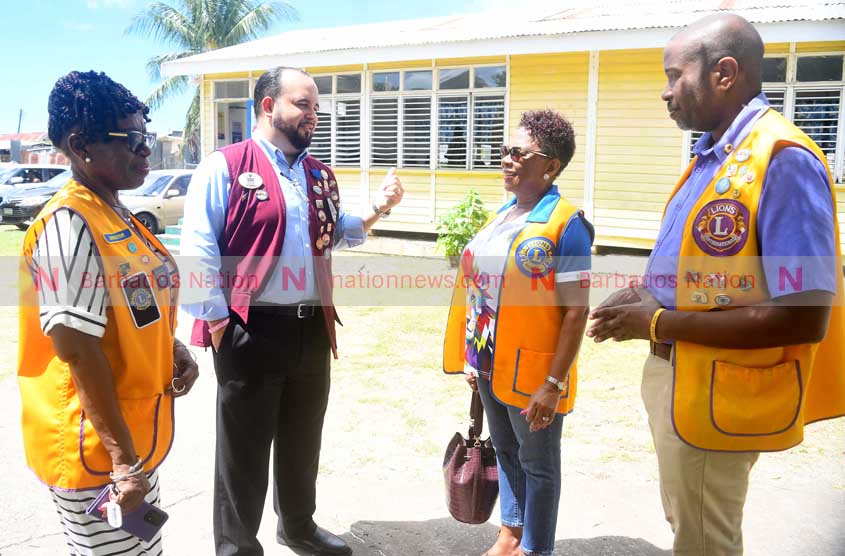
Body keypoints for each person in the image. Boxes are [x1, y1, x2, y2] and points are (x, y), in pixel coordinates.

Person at [587, 14, 844, 556]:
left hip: (716, 387)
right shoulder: (713, 155)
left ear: (725, 73)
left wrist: (655, 321)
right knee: (691, 525)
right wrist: (646, 294)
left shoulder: (781, 159)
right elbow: (706, 271)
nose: (664, 91)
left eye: (675, 75)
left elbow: (805, 314)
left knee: (705, 541)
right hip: (678, 378)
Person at [179, 66, 404, 556]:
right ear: (268, 105)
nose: (313, 116)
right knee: (244, 452)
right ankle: (237, 547)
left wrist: (380, 207)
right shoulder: (225, 166)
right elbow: (197, 249)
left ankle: (298, 528)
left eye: (316, 108)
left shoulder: (317, 173)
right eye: (303, 105)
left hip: (311, 330)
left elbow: (336, 228)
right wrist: (220, 324)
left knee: (303, 442)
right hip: (250, 330)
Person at [17, 70, 199, 555]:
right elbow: (78, 351)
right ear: (81, 146)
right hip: (97, 454)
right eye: (133, 138)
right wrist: (123, 464)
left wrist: (174, 348)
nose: (146, 149)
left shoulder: (116, 214)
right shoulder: (66, 226)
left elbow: (136, 306)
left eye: (148, 135)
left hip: (134, 444)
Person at [443, 109, 593, 556]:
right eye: (505, 150)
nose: (506, 159)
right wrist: (473, 357)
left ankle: (536, 548)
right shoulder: (504, 215)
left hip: (535, 371)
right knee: (506, 451)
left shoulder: (567, 226)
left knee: (539, 464)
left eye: (518, 152)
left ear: (550, 166)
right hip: (490, 362)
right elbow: (481, 290)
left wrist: (553, 384)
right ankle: (511, 533)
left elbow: (576, 312)